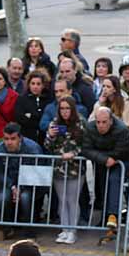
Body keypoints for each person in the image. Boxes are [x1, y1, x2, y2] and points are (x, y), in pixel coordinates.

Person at [82, 107, 129, 235]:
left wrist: (112, 158)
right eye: (98, 122)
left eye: (104, 122)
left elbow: (123, 149)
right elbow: (86, 149)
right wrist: (104, 158)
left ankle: (113, 216)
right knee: (102, 186)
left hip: (121, 160)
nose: (100, 125)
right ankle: (105, 217)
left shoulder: (121, 129)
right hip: (102, 160)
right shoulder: (90, 127)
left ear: (111, 121)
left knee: (114, 181)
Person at [0, 122, 46, 232]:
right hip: (10, 182)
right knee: (3, 198)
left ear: (20, 138)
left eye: (13, 139)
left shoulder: (33, 148)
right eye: (6, 139)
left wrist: (21, 187)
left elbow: (37, 172)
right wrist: (12, 186)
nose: (9, 142)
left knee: (25, 198)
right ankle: (5, 230)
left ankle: (29, 232)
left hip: (29, 183)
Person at [45, 96, 85, 244]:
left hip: (75, 167)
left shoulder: (81, 123)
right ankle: (64, 229)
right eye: (62, 108)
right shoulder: (54, 123)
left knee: (72, 199)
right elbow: (47, 146)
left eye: (67, 108)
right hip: (59, 167)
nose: (65, 111)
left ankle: (72, 230)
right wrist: (50, 135)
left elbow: (86, 145)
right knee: (62, 199)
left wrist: (73, 154)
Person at [92, 75, 129, 144]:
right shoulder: (99, 103)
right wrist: (100, 105)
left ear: (115, 89)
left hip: (120, 141)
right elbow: (91, 123)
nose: (104, 89)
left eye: (108, 87)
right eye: (103, 86)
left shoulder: (125, 104)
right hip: (102, 140)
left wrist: (125, 143)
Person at [13, 71, 51, 144]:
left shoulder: (48, 100)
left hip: (43, 138)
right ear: (29, 84)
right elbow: (19, 117)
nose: (35, 86)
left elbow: (45, 118)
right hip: (26, 137)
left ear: (43, 85)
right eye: (33, 83)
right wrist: (35, 118)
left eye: (38, 84)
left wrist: (31, 116)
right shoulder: (22, 99)